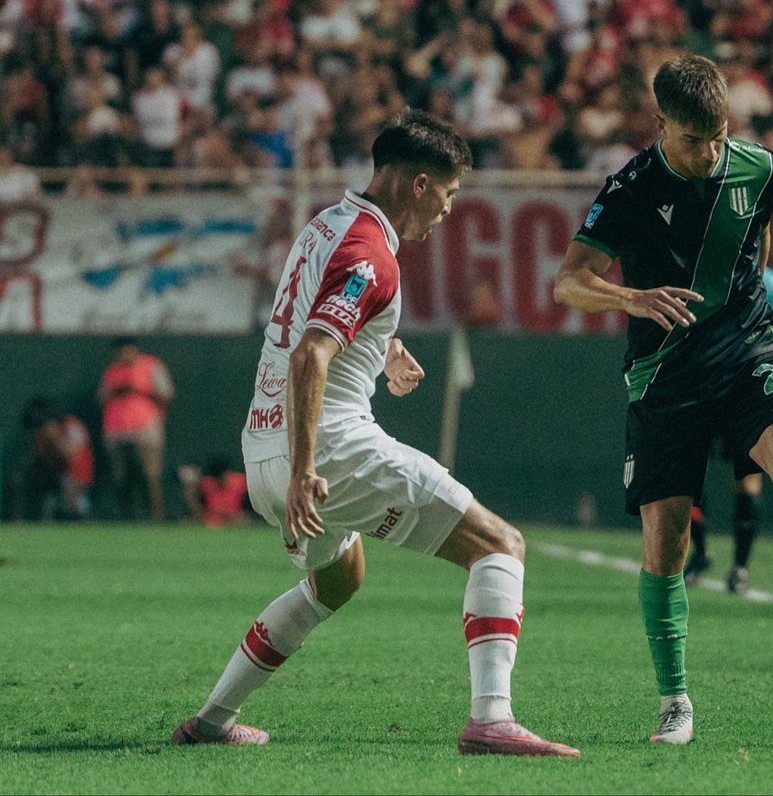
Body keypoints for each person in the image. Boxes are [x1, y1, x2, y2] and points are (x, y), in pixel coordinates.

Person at [170, 110, 578, 758]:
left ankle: (213, 720)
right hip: (327, 452)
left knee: (339, 580)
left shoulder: (325, 226)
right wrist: (306, 471)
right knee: (500, 545)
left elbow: (315, 317)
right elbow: (311, 354)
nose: (447, 210)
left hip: (261, 447)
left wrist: (385, 347)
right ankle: (492, 719)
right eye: (447, 194)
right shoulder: (371, 254)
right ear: (419, 184)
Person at [553, 54, 773, 746]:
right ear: (661, 124)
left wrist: (750, 309)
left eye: (719, 136)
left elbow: (759, 236)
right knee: (667, 540)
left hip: (747, 352)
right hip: (665, 374)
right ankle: (675, 703)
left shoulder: (760, 168)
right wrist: (632, 297)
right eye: (694, 140)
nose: (710, 152)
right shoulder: (629, 189)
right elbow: (568, 282)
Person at [683, 265, 773, 594]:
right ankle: (701, 551)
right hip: (702, 388)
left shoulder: (770, 282)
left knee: (747, 480)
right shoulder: (702, 269)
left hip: (745, 393)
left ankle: (740, 567)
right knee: (685, 476)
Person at [98, 339, 174, 522]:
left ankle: (155, 518)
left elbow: (166, 394)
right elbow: (100, 398)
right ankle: (126, 518)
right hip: (116, 430)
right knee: (120, 477)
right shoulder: (112, 371)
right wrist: (117, 391)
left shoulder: (151, 365)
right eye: (120, 353)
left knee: (150, 475)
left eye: (126, 351)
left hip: (146, 428)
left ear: (135, 350)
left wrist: (138, 389)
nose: (123, 356)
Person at [14, 397, 94, 521]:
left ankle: (84, 521)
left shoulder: (71, 424)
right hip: (54, 471)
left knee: (73, 505)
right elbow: (41, 455)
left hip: (77, 473)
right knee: (22, 479)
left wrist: (54, 440)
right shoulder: (41, 432)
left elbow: (72, 452)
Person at [178, 456, 251, 528]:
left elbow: (247, 510)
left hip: (235, 521)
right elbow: (197, 508)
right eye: (215, 478)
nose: (219, 480)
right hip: (211, 521)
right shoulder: (206, 484)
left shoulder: (239, 482)